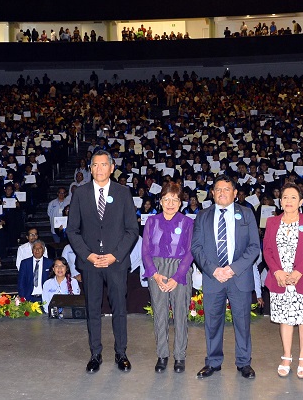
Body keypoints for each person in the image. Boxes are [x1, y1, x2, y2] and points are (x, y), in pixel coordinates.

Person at [68, 150, 139, 374]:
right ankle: (95, 354)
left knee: (119, 309)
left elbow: (132, 230)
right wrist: (88, 255)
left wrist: (115, 255)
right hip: (90, 263)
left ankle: (121, 353)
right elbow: (72, 230)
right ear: (90, 169)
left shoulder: (123, 192)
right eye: (95, 165)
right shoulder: (80, 193)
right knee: (93, 309)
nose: (99, 169)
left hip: (115, 262)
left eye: (103, 165)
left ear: (112, 167)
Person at [191, 174, 260, 380]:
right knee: (212, 322)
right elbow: (196, 247)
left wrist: (232, 268)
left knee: (242, 322)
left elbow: (255, 246)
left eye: (226, 189)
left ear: (235, 193)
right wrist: (214, 270)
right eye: (218, 189)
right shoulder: (202, 215)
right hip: (213, 277)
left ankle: (244, 363)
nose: (222, 193)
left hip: (238, 276)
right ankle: (213, 362)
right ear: (212, 193)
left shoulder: (246, 214)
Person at [262, 183, 303, 379]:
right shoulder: (272, 222)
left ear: (301, 201)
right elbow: (267, 251)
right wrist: (277, 271)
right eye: (285, 197)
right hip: (280, 279)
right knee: (285, 318)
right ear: (280, 201)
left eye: (293, 197)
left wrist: (298, 273)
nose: (288, 201)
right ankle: (287, 356)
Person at [141, 182, 194, 374]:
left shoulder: (188, 223)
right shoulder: (151, 222)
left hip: (180, 268)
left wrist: (177, 277)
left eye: (175, 199)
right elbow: (145, 251)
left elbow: (190, 252)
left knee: (180, 314)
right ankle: (162, 355)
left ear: (180, 203)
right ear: (160, 201)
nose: (170, 203)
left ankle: (180, 356)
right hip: (157, 269)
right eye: (166, 199)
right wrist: (154, 274)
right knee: (160, 314)